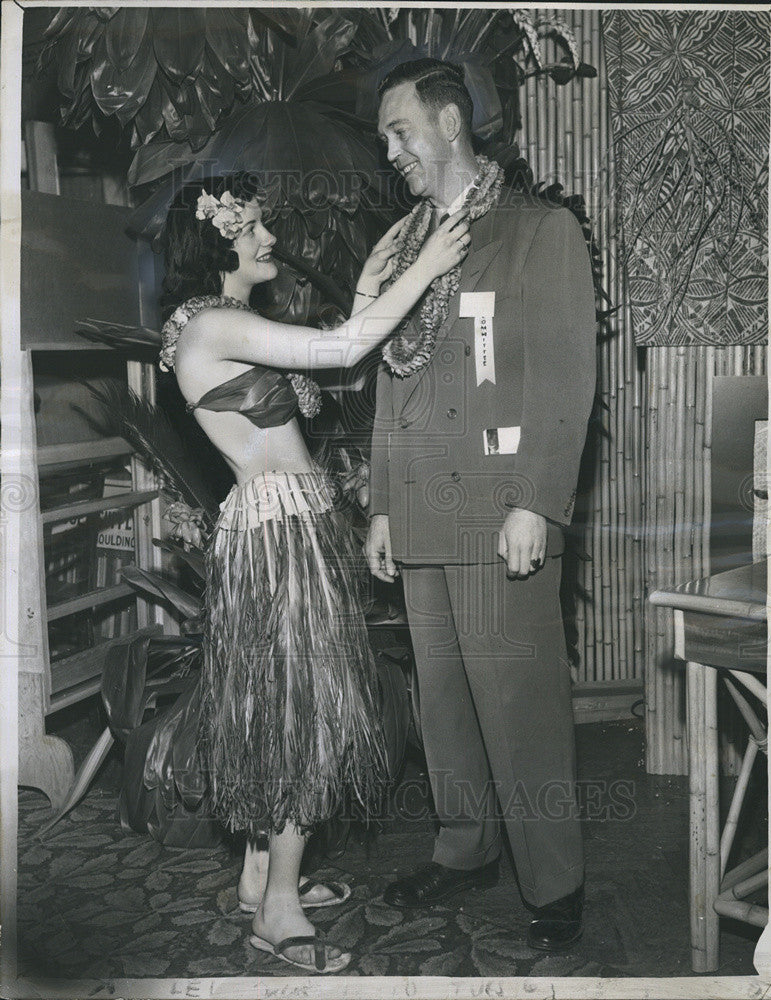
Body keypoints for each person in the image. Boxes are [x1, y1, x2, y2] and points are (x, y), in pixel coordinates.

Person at [158, 173, 470, 974]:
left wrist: (373, 281)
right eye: (254, 227)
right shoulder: (216, 325)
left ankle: (261, 876)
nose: (268, 238)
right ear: (218, 241)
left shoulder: (215, 323)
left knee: (274, 707)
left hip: (277, 529)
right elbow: (340, 349)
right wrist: (428, 263)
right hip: (282, 538)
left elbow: (336, 347)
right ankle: (279, 913)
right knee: (304, 714)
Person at [365, 59, 596, 952]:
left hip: (500, 504)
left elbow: (565, 376)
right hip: (420, 508)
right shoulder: (399, 246)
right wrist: (382, 505)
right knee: (444, 701)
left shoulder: (538, 232)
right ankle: (463, 849)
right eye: (385, 138)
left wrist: (536, 499)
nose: (391, 152)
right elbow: (391, 378)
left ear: (450, 121)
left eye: (400, 132)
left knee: (519, 696)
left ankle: (554, 881)